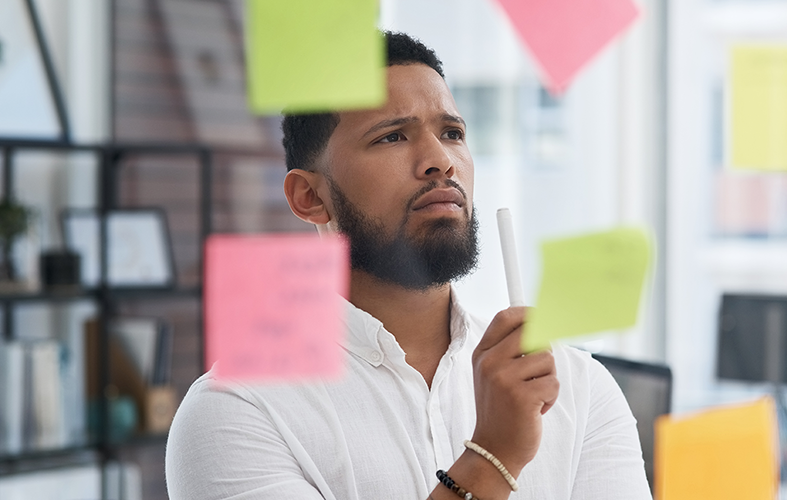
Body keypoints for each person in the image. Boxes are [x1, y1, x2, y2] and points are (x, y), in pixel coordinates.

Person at [166, 31, 651, 500]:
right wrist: (492, 457)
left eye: (453, 133)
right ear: (310, 196)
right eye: (392, 136)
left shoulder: (578, 389)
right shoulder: (237, 410)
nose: (441, 161)